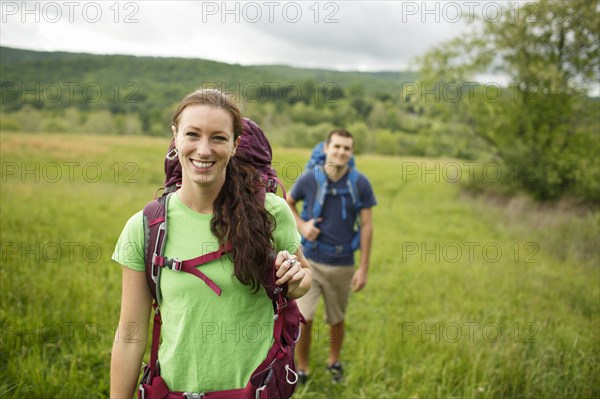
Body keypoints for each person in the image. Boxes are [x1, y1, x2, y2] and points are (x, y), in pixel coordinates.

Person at [110, 89, 312, 398]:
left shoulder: (270, 211)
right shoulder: (145, 227)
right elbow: (129, 335)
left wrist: (295, 279)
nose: (204, 150)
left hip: (254, 391)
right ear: (175, 137)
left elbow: (302, 279)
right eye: (193, 134)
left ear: (234, 145)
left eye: (218, 138)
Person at [286, 129, 376, 384]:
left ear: (352, 152)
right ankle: (302, 367)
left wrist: (363, 268)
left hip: (343, 263)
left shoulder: (360, 183)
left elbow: (367, 226)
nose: (341, 151)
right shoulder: (310, 179)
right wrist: (303, 226)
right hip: (311, 260)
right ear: (326, 148)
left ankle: (333, 361)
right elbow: (288, 202)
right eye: (336, 146)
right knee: (304, 319)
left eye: (347, 148)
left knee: (336, 320)